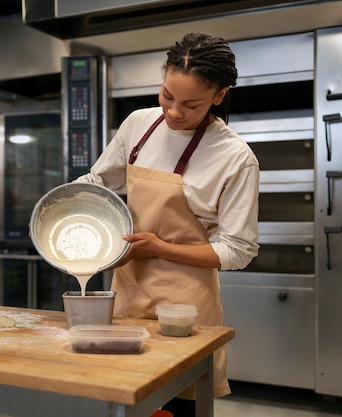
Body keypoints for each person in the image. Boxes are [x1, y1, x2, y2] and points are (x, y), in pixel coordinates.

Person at [75, 32, 259, 416]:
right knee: (125, 403)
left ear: (219, 96)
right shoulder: (140, 124)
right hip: (127, 294)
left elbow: (238, 250)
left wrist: (160, 248)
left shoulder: (234, 157)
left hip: (185, 309)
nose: (174, 112)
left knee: (177, 405)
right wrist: (64, 207)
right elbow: (98, 183)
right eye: (166, 95)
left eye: (191, 105)